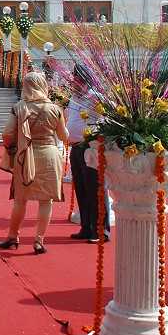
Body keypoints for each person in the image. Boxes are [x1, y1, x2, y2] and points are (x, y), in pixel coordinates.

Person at [0, 71, 69, 255]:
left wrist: (11, 147)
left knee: (20, 200)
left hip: (25, 156)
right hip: (50, 155)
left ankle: (13, 237)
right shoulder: (55, 108)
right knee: (46, 201)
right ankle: (38, 241)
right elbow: (63, 136)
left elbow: (7, 134)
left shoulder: (19, 107)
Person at [65, 65, 110, 242]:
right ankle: (86, 227)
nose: (73, 83)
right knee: (82, 190)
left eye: (77, 80)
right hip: (76, 148)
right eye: (73, 80)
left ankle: (101, 230)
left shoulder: (95, 97)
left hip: (90, 149)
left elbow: (108, 116)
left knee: (96, 190)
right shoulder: (74, 98)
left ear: (85, 81)